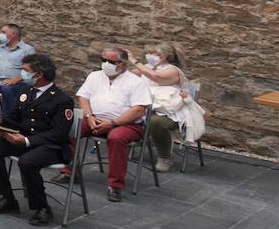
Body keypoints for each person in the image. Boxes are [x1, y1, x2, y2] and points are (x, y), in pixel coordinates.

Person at [0, 53, 75, 226]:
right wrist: (0, 125)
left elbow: (58, 133)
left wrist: (26, 141)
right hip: (24, 139)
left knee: (27, 162)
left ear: (39, 74)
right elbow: (14, 118)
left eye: (26, 70)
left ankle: (42, 208)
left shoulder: (62, 100)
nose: (22, 73)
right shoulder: (26, 91)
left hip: (51, 147)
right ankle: (8, 198)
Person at [69, 46, 153, 202]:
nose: (106, 64)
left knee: (116, 138)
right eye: (103, 60)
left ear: (123, 63)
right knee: (68, 127)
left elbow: (138, 110)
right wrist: (89, 116)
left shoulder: (136, 82)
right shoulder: (95, 76)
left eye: (111, 61)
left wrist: (113, 123)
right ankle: (69, 171)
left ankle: (115, 185)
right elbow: (83, 97)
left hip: (126, 124)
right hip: (95, 119)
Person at [130, 42, 204, 172]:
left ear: (166, 56)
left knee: (156, 122)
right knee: (125, 111)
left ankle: (165, 157)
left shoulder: (173, 70)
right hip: (148, 107)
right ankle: (129, 144)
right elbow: (129, 76)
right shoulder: (148, 67)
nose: (150, 56)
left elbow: (156, 77)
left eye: (155, 54)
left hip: (171, 111)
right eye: (149, 53)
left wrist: (133, 61)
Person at [0, 23, 35, 116]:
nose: (0, 34)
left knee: (7, 89)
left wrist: (13, 81)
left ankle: (8, 118)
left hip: (18, 83)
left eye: (3, 32)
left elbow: (29, 70)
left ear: (13, 34)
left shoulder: (28, 50)